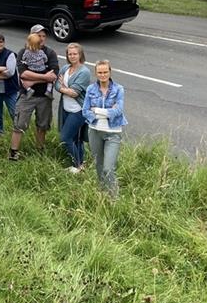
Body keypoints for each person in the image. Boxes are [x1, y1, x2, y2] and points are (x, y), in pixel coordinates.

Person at [9, 27, 59, 161]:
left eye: (43, 35)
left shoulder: (50, 53)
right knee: (19, 124)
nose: (41, 38)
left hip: (44, 96)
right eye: (38, 35)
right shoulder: (23, 52)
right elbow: (23, 73)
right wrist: (43, 77)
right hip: (26, 96)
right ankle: (13, 153)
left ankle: (39, 151)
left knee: (42, 125)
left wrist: (31, 81)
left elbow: (53, 75)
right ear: (31, 37)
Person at [82, 60, 127, 197]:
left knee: (108, 168)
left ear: (110, 72)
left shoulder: (118, 89)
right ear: (96, 73)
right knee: (99, 165)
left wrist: (96, 110)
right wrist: (106, 112)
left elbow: (118, 111)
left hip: (113, 132)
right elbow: (85, 111)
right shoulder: (91, 89)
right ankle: (102, 192)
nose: (103, 75)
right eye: (100, 72)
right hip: (95, 130)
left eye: (105, 72)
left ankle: (114, 197)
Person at [55, 43, 92, 173]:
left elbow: (75, 93)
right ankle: (81, 162)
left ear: (80, 54)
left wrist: (62, 86)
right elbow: (56, 85)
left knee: (65, 138)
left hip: (78, 110)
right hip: (65, 108)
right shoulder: (65, 68)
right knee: (76, 139)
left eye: (75, 53)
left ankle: (77, 165)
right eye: (70, 54)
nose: (72, 56)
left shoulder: (84, 72)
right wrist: (65, 88)